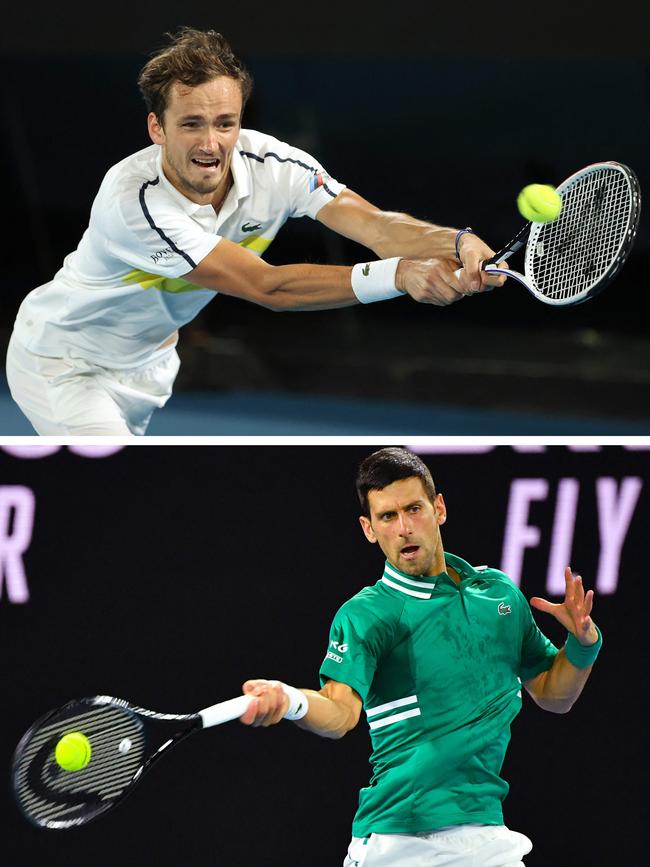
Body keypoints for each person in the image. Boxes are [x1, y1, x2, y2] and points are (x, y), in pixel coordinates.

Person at [5, 28, 506, 436]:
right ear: (156, 128)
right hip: (63, 358)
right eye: (192, 124)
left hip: (150, 364)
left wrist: (455, 242)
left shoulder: (276, 165)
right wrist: (399, 276)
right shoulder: (134, 202)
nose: (211, 142)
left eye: (226, 123)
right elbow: (270, 288)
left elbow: (374, 225)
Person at [240, 447, 603, 867]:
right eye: (387, 517)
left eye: (414, 509)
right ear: (369, 529)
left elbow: (552, 693)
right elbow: (340, 713)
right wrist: (290, 701)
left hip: (486, 838)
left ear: (439, 509)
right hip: (399, 842)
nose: (404, 529)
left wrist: (582, 643)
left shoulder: (499, 595)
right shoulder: (367, 615)